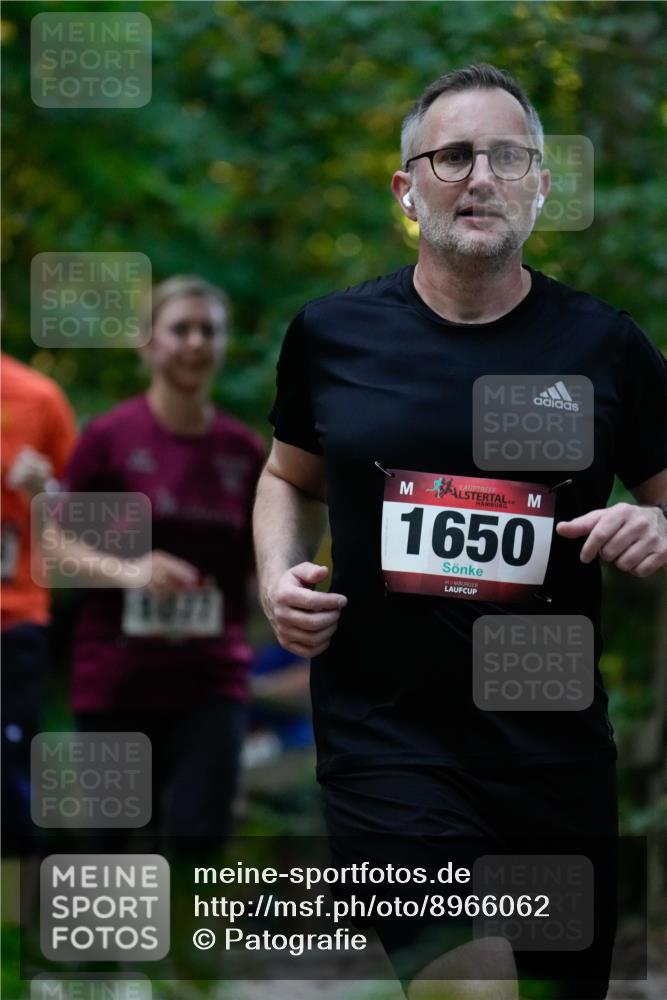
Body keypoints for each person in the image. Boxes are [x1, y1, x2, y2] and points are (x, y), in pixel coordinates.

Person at [253, 64, 667, 1000]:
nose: (480, 176)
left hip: (551, 755)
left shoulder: (606, 347)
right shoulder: (331, 335)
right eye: (451, 156)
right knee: (472, 984)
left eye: (506, 155)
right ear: (406, 187)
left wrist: (655, 524)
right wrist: (279, 576)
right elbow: (285, 477)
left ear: (540, 184)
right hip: (383, 741)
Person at [58, 275, 264, 851]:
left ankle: (192, 943)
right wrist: (132, 570)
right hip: (117, 675)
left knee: (201, 846)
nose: (197, 343)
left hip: (210, 675)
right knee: (110, 848)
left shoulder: (242, 451)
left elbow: (257, 565)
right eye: (181, 329)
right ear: (148, 343)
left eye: (210, 331)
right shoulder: (110, 438)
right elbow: (58, 547)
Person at [1, 351, 77, 857]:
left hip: (14, 619)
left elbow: (84, 516)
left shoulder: (38, 396)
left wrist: (44, 489)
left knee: (8, 778)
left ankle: (13, 924)